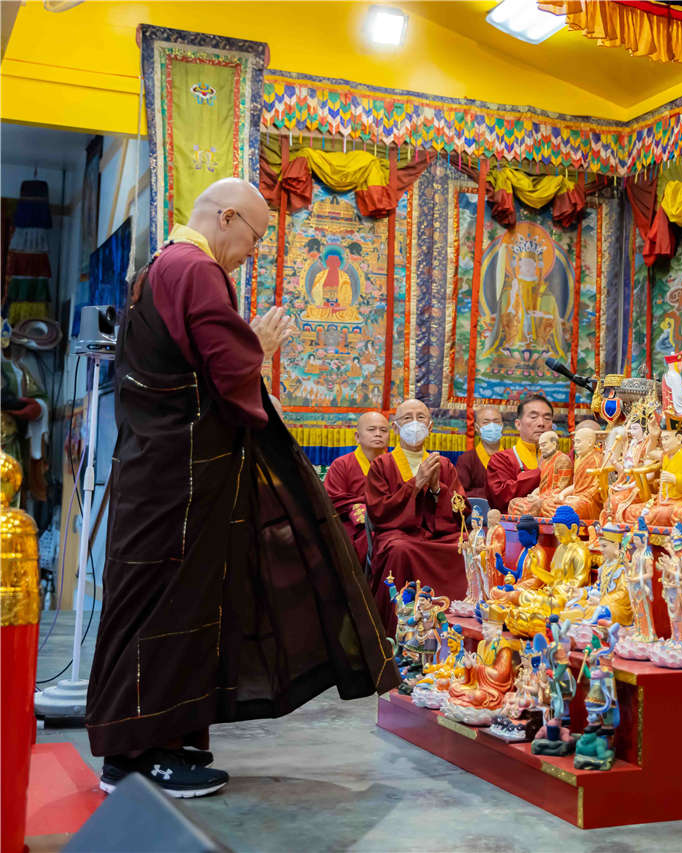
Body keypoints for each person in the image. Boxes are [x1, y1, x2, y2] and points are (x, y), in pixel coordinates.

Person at [86, 178, 396, 799]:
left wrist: (245, 351)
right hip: (180, 482)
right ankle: (141, 757)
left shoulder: (157, 268)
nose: (250, 254)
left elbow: (187, 373)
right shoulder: (196, 270)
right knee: (169, 609)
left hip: (157, 471)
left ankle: (149, 744)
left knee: (154, 604)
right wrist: (260, 347)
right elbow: (228, 372)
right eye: (253, 239)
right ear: (226, 217)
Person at [366, 398, 468, 631]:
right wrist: (416, 483)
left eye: (420, 418)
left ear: (430, 426)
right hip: (398, 534)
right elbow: (379, 512)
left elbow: (461, 511)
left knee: (465, 544)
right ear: (395, 428)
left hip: (437, 535)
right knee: (400, 549)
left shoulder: (443, 464)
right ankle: (399, 630)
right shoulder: (382, 465)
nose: (414, 423)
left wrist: (437, 489)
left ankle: (456, 624)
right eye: (407, 418)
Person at [323, 411, 391, 568]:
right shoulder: (342, 464)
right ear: (357, 437)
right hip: (352, 525)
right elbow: (333, 500)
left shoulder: (395, 464)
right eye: (372, 429)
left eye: (383, 430)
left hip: (388, 524)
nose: (378, 434)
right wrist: (365, 508)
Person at [486, 393, 553, 512]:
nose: (541, 423)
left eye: (547, 418)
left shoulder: (561, 459)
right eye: (533, 417)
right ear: (518, 424)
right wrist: (539, 471)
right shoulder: (502, 459)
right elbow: (500, 498)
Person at [455, 404, 502, 498]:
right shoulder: (466, 459)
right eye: (486, 422)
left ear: (501, 426)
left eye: (496, 421)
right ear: (477, 428)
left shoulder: (512, 457)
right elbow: (460, 494)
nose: (492, 426)